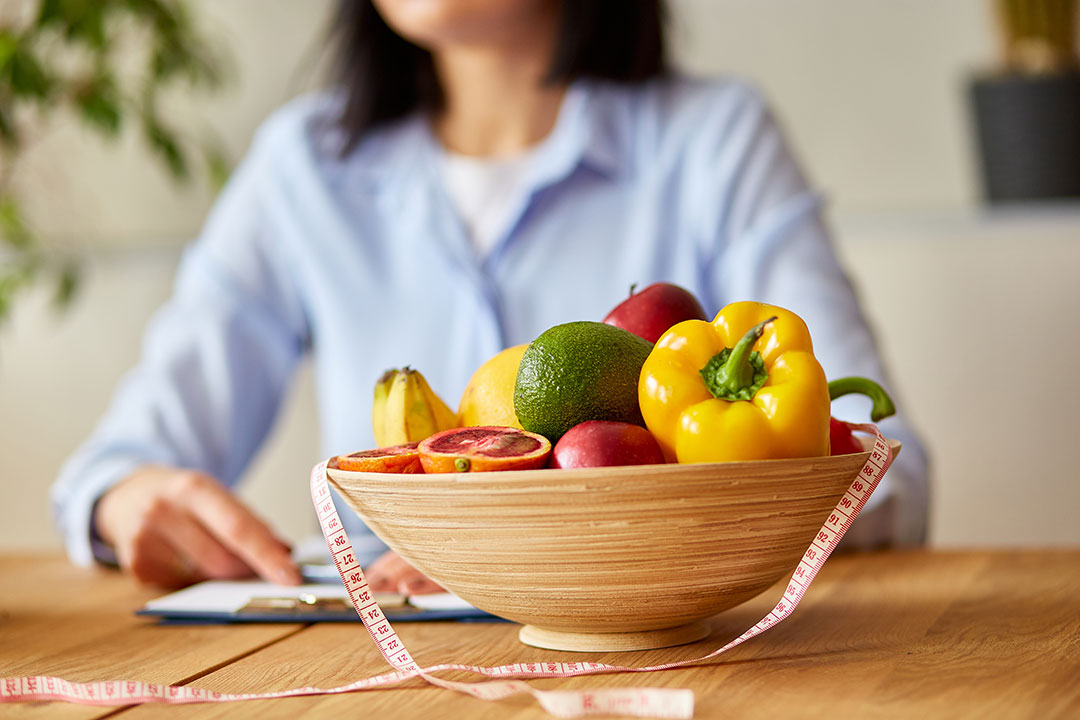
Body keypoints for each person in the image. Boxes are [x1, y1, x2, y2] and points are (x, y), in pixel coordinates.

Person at [52, 0, 930, 592]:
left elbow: (888, 476)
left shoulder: (714, 142)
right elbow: (118, 465)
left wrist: (564, 551)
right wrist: (123, 499)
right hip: (378, 673)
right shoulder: (302, 168)